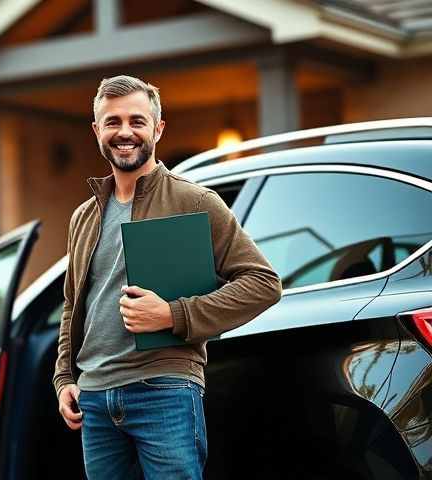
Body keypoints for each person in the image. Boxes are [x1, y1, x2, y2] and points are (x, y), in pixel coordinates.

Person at [52, 75, 282, 479]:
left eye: (137, 121)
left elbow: (262, 283)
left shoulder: (194, 201)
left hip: (164, 391)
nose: (125, 132)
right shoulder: (83, 216)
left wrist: (173, 315)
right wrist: (65, 377)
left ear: (158, 129)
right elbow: (74, 303)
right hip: (94, 398)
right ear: (97, 132)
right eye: (113, 122)